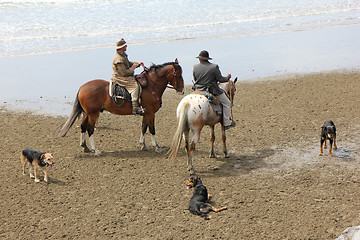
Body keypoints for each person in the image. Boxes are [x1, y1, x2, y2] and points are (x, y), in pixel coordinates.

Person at [193, 50, 236, 130]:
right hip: (211, 90)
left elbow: (195, 79)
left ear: (200, 59)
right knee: (227, 103)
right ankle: (226, 123)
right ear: (207, 59)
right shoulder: (214, 67)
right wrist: (228, 77)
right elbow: (221, 79)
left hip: (198, 90)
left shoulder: (195, 67)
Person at [110, 38, 145, 115]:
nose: (126, 46)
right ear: (122, 47)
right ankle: (135, 108)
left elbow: (128, 63)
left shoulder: (122, 55)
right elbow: (124, 73)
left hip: (124, 75)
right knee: (135, 87)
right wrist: (132, 68)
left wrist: (138, 64)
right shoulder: (118, 59)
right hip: (121, 78)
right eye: (125, 45)